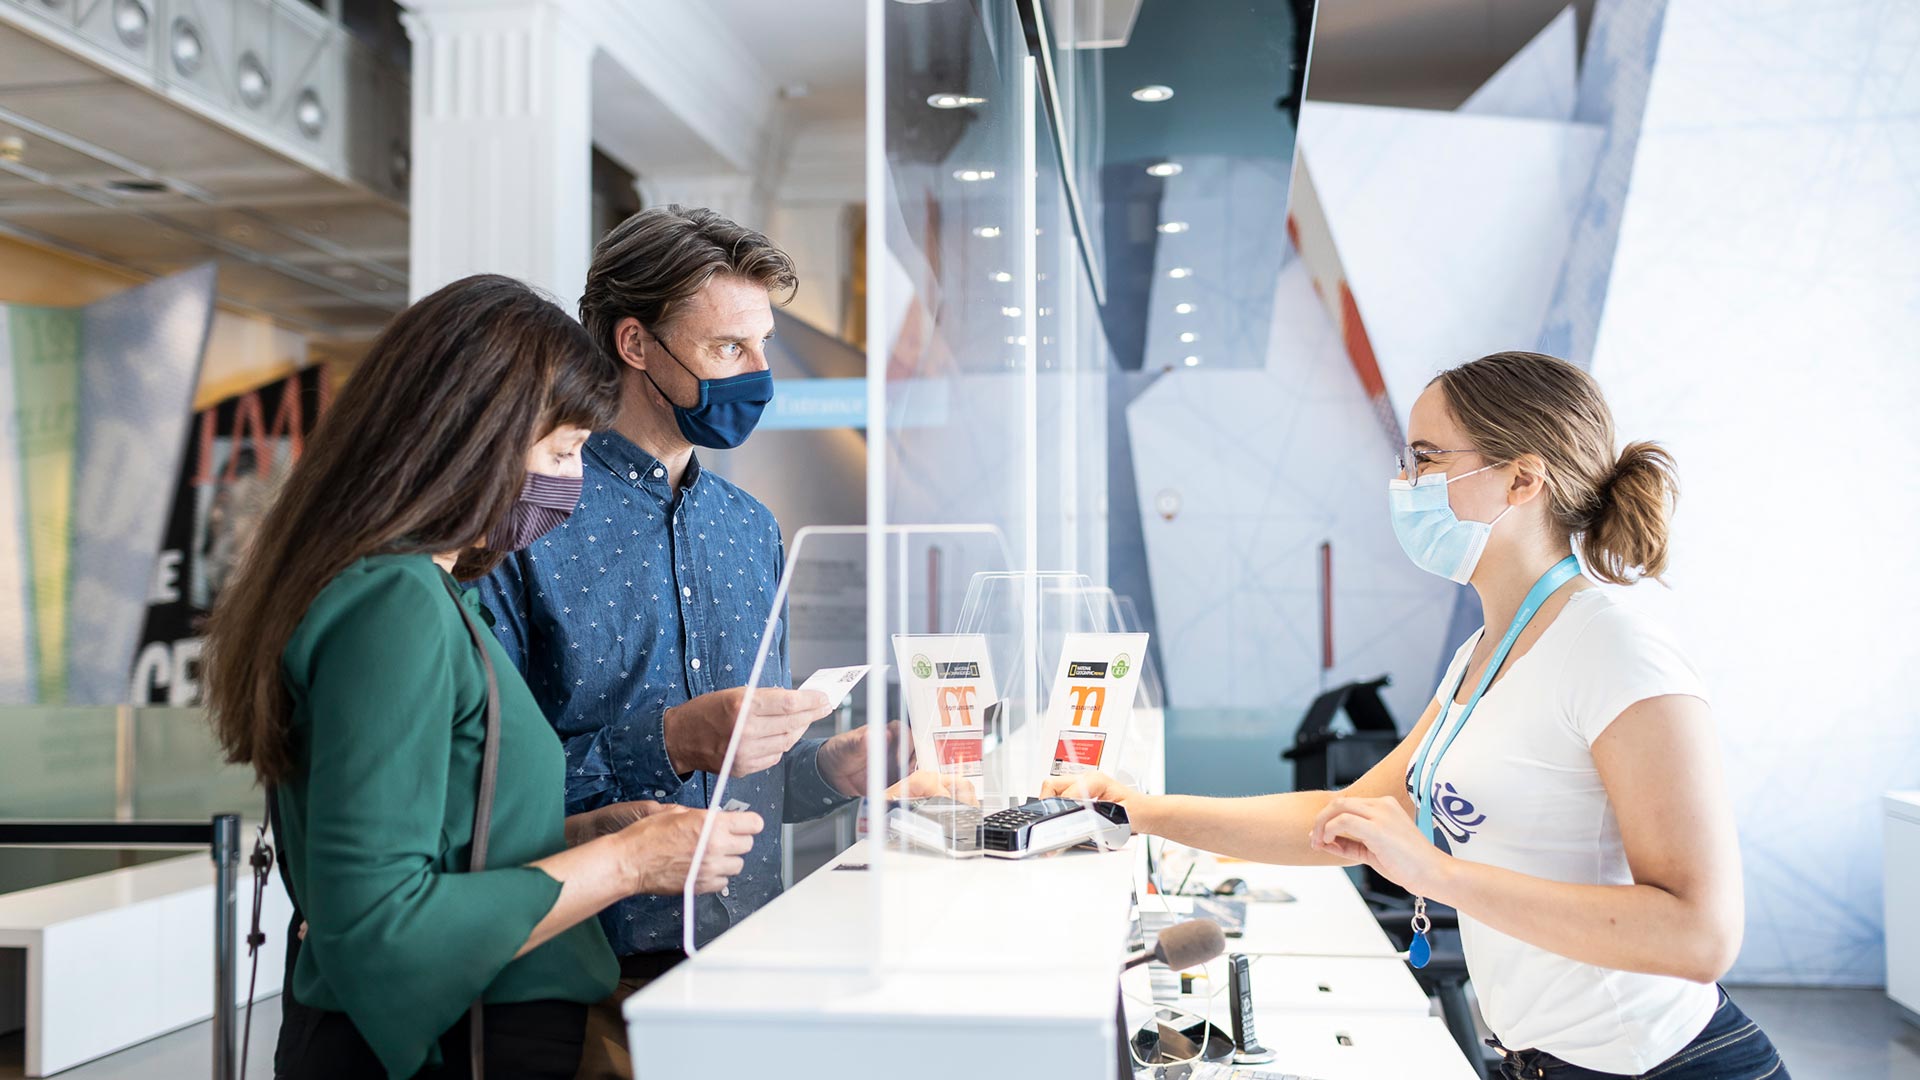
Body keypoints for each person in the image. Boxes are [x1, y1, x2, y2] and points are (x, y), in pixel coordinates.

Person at [1046, 352, 1790, 1080]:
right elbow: (1345, 820)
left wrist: (1436, 871)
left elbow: (1700, 934)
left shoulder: (1615, 648)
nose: (1404, 483)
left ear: (1523, 478)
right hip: (1539, 1062)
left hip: (1666, 1063)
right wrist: (1137, 810)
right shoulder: (1482, 651)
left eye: (1426, 459)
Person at [202, 274, 762, 1079]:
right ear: (477, 438)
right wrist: (630, 867)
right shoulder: (392, 602)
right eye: (564, 452)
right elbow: (383, 926)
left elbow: (437, 846)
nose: (570, 488)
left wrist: (580, 838)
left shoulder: (422, 591)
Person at [474, 206, 931, 1078]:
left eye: (762, 347)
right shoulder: (528, 517)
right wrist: (670, 739)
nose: (759, 375)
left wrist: (829, 770)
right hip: (578, 984)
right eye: (730, 349)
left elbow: (754, 787)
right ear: (637, 343)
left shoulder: (751, 530)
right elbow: (486, 795)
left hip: (751, 962)